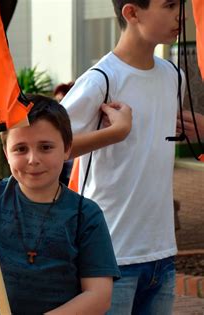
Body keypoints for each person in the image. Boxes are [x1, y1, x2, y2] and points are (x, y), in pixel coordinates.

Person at [0, 96, 122, 314]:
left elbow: (99, 296)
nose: (33, 159)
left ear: (66, 149)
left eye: (46, 147)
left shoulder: (85, 214)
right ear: (5, 153)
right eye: (20, 149)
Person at [61, 0, 183, 313]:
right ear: (131, 13)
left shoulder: (174, 75)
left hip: (162, 253)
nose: (179, 14)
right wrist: (114, 134)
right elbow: (49, 146)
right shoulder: (100, 79)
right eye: (169, 5)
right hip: (109, 255)